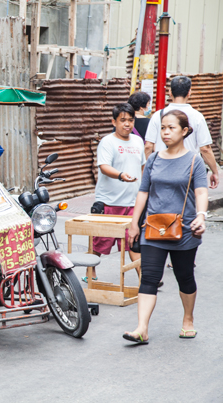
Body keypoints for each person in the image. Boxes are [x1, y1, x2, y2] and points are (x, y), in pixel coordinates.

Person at [124, 110, 208, 344]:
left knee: (184, 276)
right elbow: (143, 191)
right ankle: (142, 328)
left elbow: (201, 191)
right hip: (153, 228)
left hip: (184, 229)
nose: (166, 132)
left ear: (184, 131)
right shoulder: (154, 158)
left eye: (171, 127)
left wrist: (201, 215)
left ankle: (188, 320)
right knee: (149, 278)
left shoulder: (194, 160)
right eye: (163, 127)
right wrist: (134, 223)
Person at [89, 103, 146, 282]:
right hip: (109, 202)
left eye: (130, 120)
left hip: (132, 203)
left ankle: (145, 279)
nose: (127, 124)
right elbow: (104, 167)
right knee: (100, 242)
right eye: (123, 120)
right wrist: (121, 175)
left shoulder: (137, 140)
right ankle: (90, 273)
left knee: (133, 244)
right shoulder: (107, 142)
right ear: (114, 122)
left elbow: (142, 166)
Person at [144, 76, 219, 189]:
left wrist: (146, 171)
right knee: (186, 203)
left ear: (170, 92)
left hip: (161, 169)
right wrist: (215, 172)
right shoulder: (197, 116)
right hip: (188, 170)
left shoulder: (158, 116)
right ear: (189, 92)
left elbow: (148, 146)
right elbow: (205, 149)